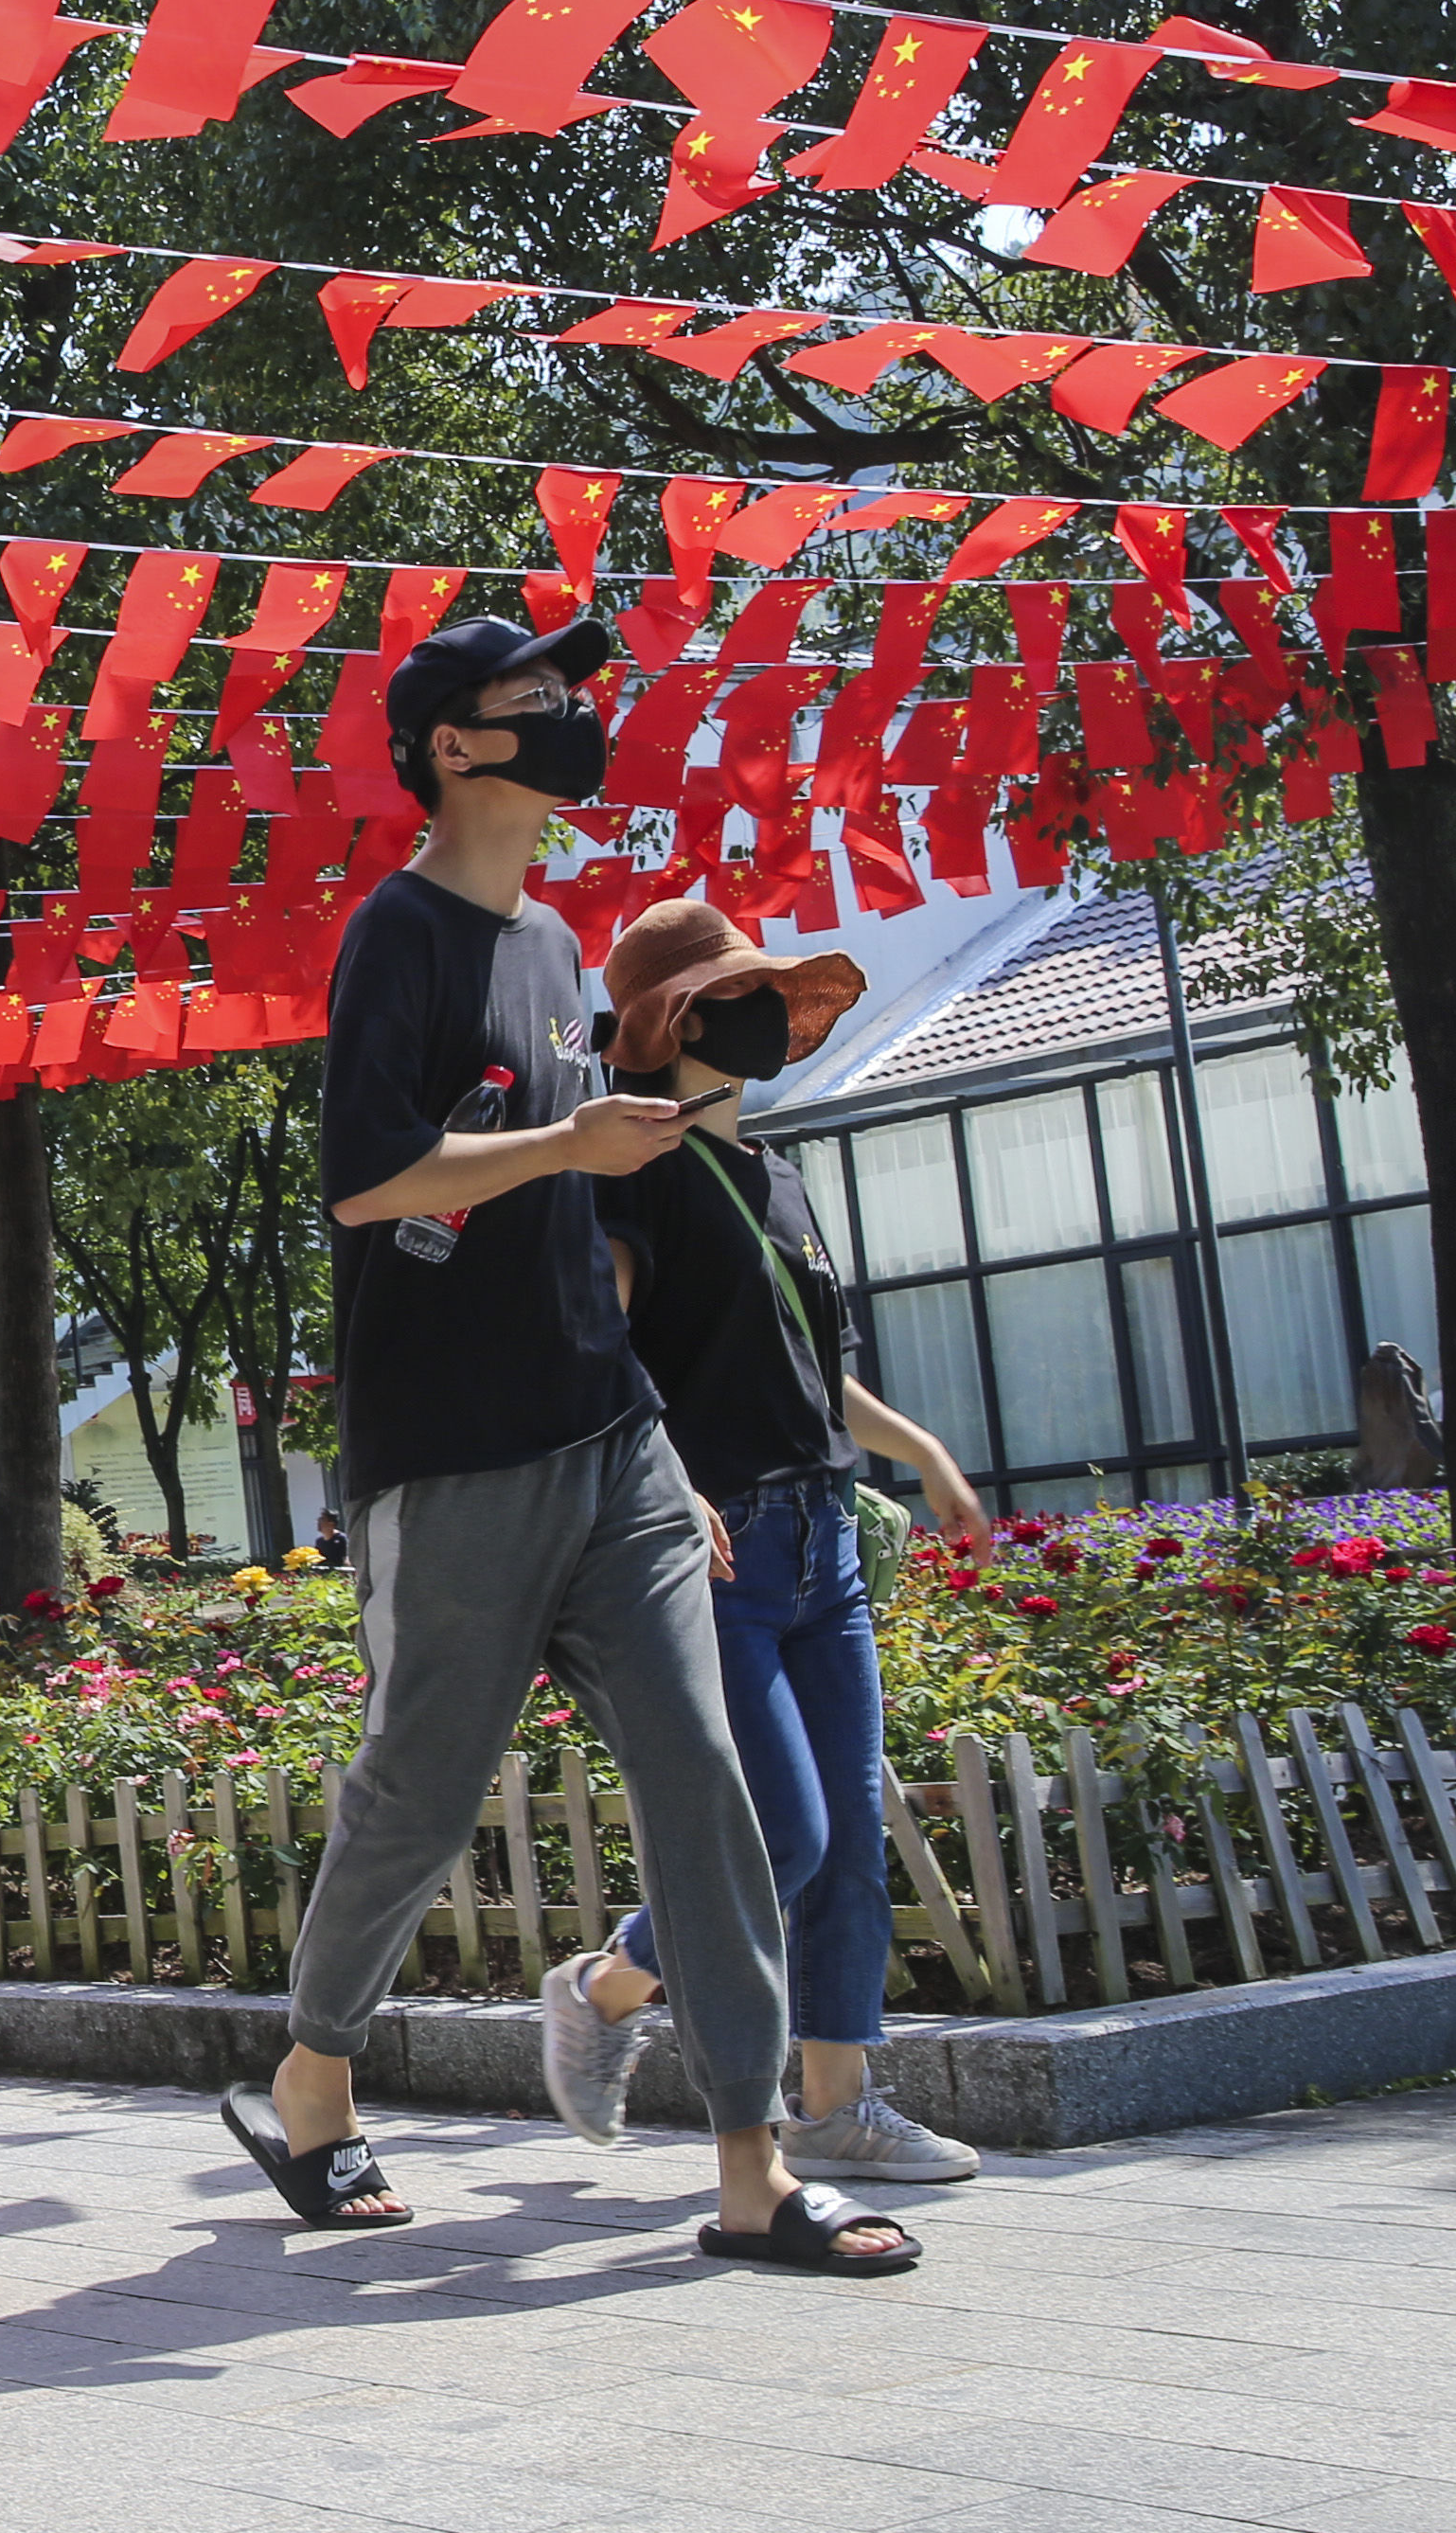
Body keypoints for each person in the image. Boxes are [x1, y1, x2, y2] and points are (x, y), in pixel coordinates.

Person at [224, 617, 921, 2279]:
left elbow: (567, 1244)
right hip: (448, 1458)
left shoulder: (557, 941)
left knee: (712, 1781)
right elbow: (367, 1181)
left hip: (610, 1444)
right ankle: (310, 2076)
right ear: (450, 749)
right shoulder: (396, 935)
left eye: (564, 697)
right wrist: (560, 1139)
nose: (565, 721)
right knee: (417, 1791)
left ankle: (751, 2172)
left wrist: (661, 1446)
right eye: (528, 703)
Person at [551, 898, 994, 2184]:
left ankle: (837, 2107)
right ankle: (612, 1984)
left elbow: (801, 1365)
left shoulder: (778, 1177)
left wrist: (921, 1454)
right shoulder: (631, 1175)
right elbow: (605, 1355)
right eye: (737, 996)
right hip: (719, 1551)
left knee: (850, 1838)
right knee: (777, 1839)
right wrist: (667, 1477)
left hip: (821, 1541)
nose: (768, 1014)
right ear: (675, 1023)